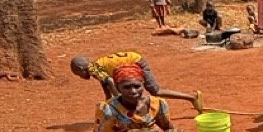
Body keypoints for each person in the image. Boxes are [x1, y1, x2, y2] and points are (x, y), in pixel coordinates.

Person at [70, 53, 202, 110]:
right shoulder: (96, 66)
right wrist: (109, 99)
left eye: (78, 74)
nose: (81, 77)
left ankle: (191, 97)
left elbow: (109, 81)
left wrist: (119, 101)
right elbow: (105, 84)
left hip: (137, 63)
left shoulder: (92, 69)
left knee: (156, 91)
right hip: (133, 61)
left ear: (82, 68)